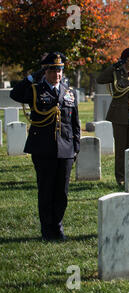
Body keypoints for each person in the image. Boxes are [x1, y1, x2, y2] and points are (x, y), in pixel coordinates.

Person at [10, 52, 80, 241]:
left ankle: (57, 226)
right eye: (53, 70)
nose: (57, 74)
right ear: (45, 71)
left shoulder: (68, 92)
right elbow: (14, 94)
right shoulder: (35, 90)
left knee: (62, 193)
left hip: (65, 148)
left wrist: (76, 148)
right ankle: (47, 229)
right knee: (46, 190)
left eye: (60, 70)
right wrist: (33, 76)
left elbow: (75, 123)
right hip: (43, 149)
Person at [96, 48, 129, 186]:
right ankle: (121, 178)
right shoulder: (115, 74)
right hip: (119, 116)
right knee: (120, 150)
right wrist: (113, 66)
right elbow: (99, 79)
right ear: (123, 61)